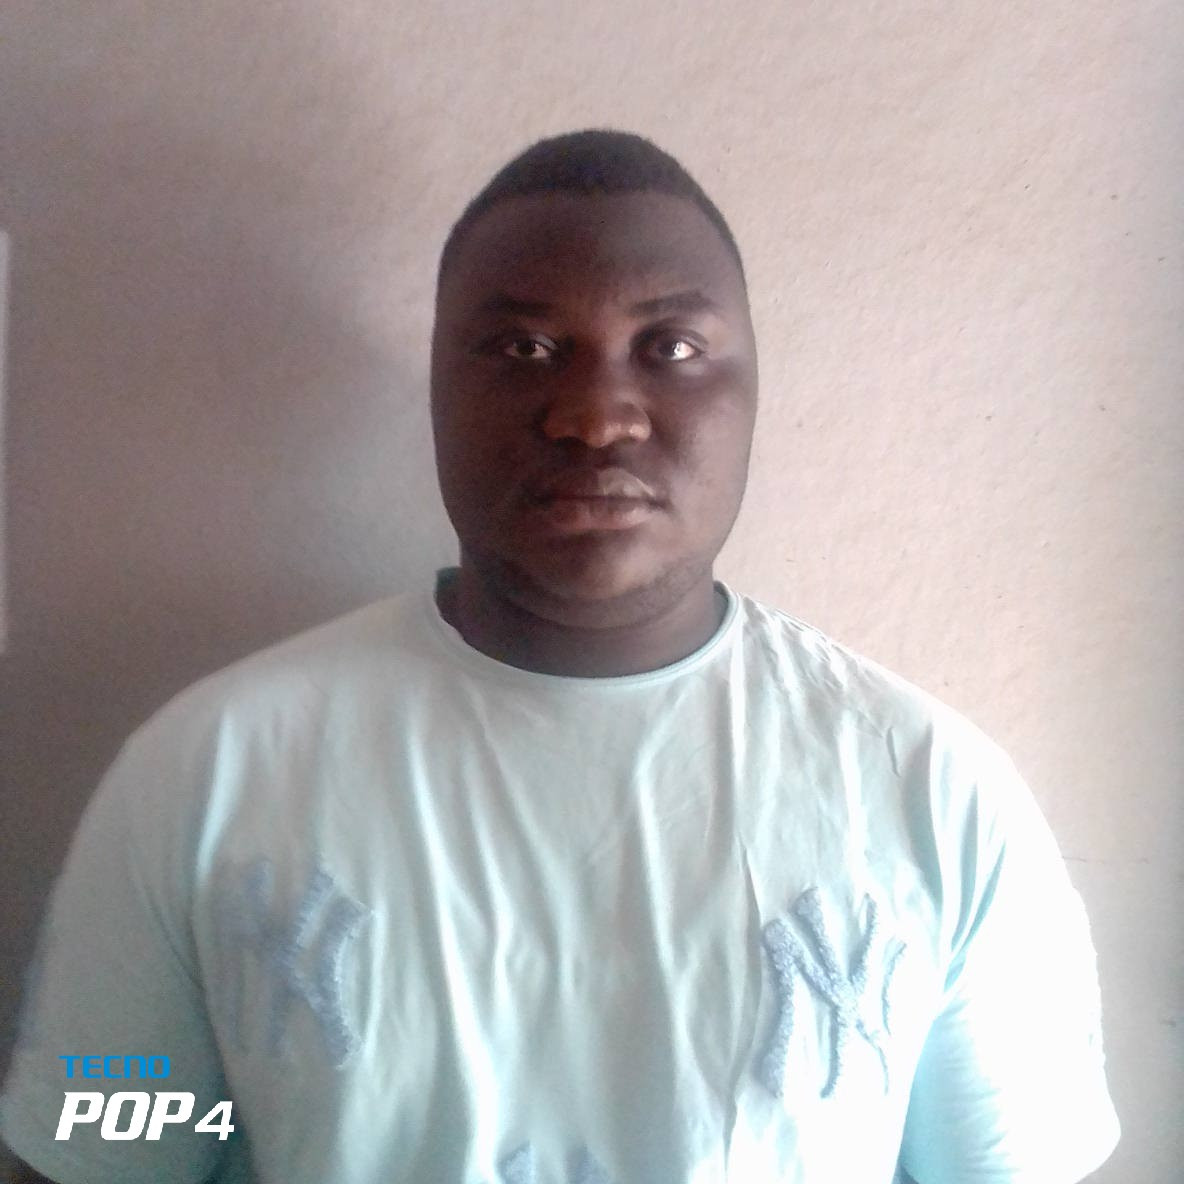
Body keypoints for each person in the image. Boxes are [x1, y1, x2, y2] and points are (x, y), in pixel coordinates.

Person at [1, 130, 1120, 1184]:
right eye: (523, 348)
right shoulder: (207, 771)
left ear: (752, 393)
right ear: (437, 385)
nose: (594, 417)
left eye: (669, 348)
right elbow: (102, 1146)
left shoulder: (932, 791)